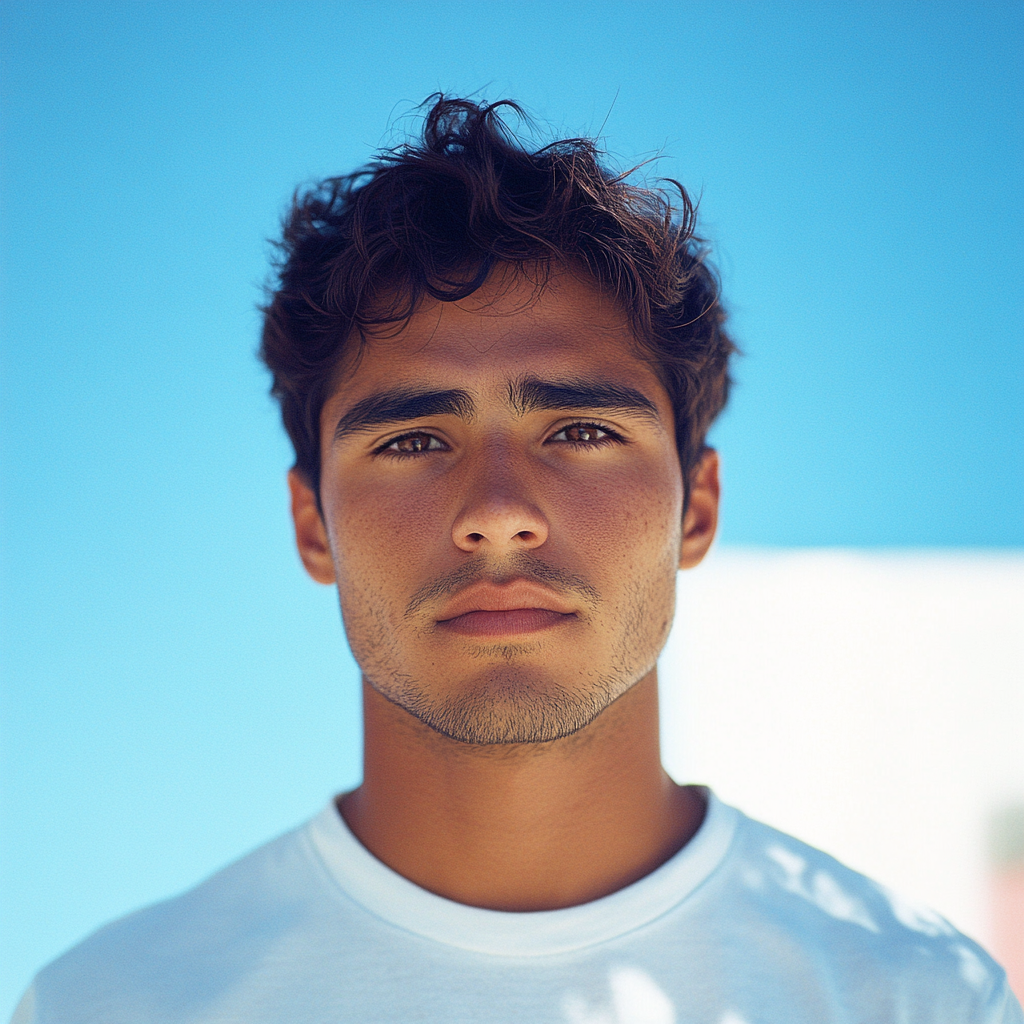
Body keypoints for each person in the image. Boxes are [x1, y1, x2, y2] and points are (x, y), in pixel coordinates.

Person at [12, 97, 1021, 1024]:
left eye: (580, 431)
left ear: (696, 508)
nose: (497, 514)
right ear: (312, 523)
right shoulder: (111, 1003)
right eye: (411, 441)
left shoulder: (913, 996)